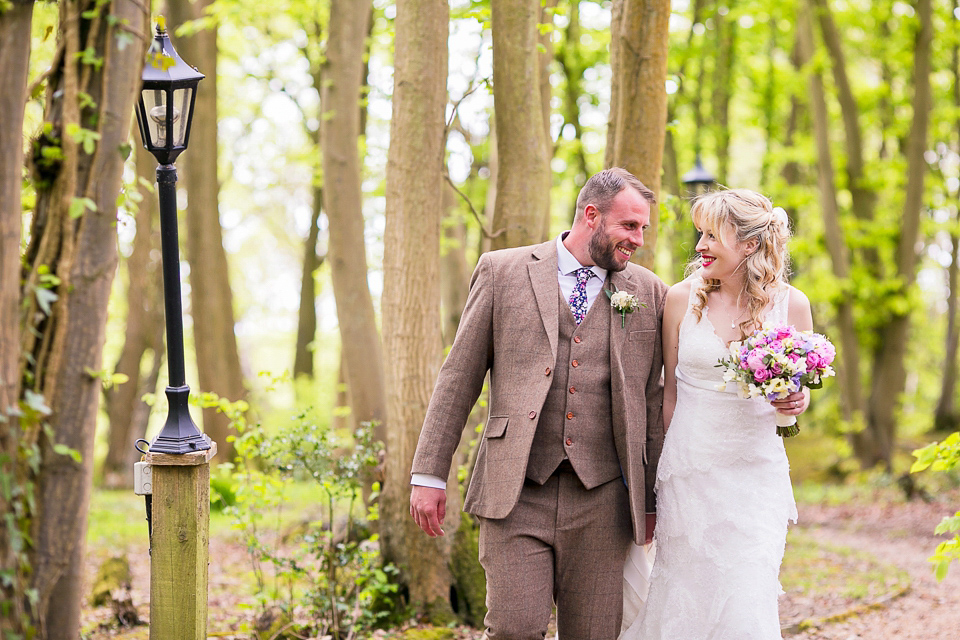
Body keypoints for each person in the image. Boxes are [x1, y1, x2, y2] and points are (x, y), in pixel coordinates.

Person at [410, 167, 669, 640]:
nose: (639, 240)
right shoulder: (502, 270)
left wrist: (652, 499)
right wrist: (429, 473)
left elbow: (652, 404)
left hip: (604, 498)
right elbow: (458, 378)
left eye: (643, 229)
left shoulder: (648, 292)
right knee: (514, 629)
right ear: (591, 215)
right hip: (517, 490)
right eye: (630, 226)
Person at [620, 188, 811, 639]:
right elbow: (667, 396)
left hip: (754, 474)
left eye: (711, 236)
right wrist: (655, 480)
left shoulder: (792, 305)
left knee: (747, 593)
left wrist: (797, 402)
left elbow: (798, 393)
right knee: (685, 593)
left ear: (748, 245)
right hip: (689, 472)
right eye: (699, 234)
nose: (700, 246)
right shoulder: (680, 300)